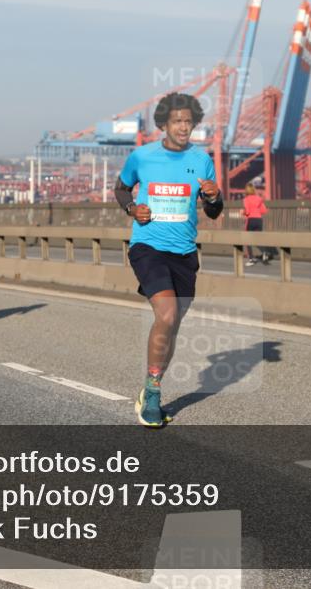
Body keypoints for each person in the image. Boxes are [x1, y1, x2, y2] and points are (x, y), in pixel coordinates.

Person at [114, 92, 223, 427]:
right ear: (163, 124)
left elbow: (214, 211)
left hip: (185, 252)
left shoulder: (202, 160)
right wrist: (133, 209)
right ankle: (154, 392)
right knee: (167, 312)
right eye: (177, 121)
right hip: (148, 246)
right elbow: (121, 189)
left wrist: (214, 196)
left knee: (171, 325)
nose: (183, 127)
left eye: (189, 121)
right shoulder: (142, 157)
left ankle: (151, 385)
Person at [242, 182, 272, 266]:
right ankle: (264, 254)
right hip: (259, 220)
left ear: (246, 191)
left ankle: (251, 259)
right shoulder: (259, 199)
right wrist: (256, 212)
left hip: (251, 220)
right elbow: (264, 211)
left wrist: (243, 212)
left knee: (247, 239)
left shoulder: (246, 199)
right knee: (258, 239)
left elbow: (247, 211)